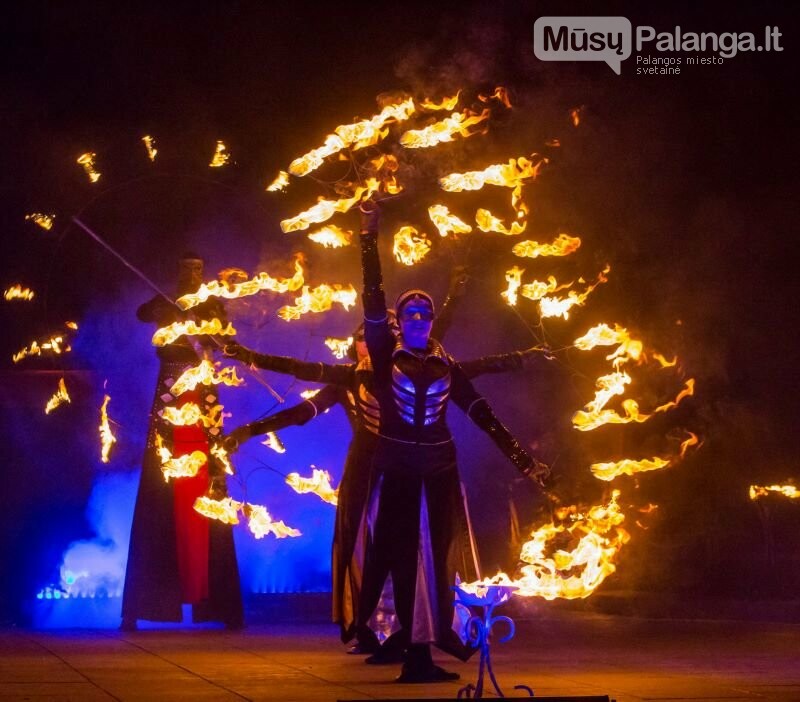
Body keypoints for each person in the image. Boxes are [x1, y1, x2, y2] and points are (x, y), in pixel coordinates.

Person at [223, 293, 550, 655]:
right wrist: (251, 419)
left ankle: (419, 634)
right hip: (368, 469)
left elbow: (469, 373)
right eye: (362, 336)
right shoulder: (348, 377)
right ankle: (374, 630)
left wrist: (517, 359)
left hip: (413, 464)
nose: (368, 341)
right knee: (371, 554)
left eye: (377, 335)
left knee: (419, 550)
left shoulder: (412, 366)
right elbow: (301, 405)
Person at [352, 201, 549, 683]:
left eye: (425, 313)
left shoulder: (447, 365)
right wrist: (368, 233)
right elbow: (372, 298)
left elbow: (484, 415)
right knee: (401, 556)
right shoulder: (384, 354)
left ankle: (430, 644)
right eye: (411, 314)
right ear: (401, 321)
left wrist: (526, 462)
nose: (419, 319)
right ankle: (408, 648)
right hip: (397, 466)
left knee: (438, 558)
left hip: (440, 468)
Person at [121, 254, 243, 631]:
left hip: (203, 395)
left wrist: (207, 328)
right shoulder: (163, 300)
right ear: (177, 272)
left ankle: (222, 606)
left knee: (211, 482)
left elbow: (228, 343)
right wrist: (168, 310)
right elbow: (142, 315)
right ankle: (144, 604)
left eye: (197, 268)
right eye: (185, 267)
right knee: (163, 487)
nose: (191, 273)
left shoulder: (212, 304)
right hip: (171, 397)